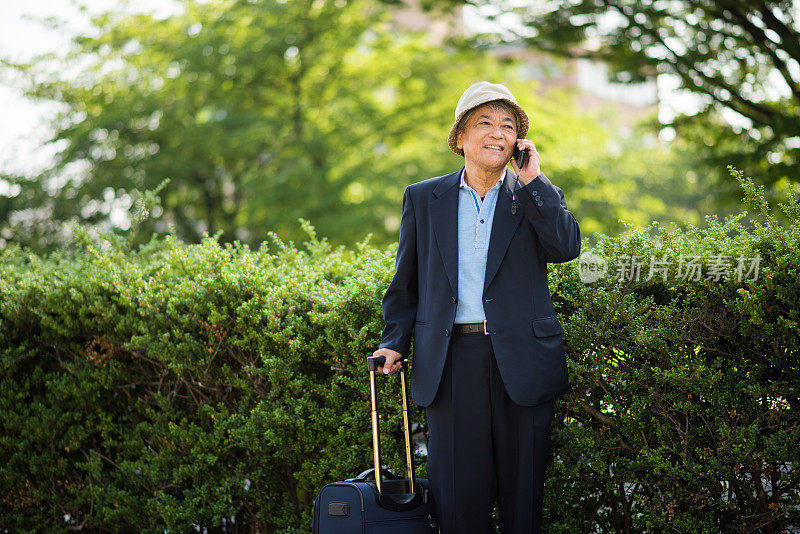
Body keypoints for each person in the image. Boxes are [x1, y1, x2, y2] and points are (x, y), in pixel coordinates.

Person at [372, 81, 581, 534]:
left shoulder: (535, 194)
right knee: (457, 502)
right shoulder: (424, 198)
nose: (497, 133)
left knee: (523, 502)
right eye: (484, 122)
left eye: (508, 126)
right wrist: (394, 342)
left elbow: (566, 247)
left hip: (522, 361)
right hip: (451, 362)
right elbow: (406, 281)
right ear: (460, 137)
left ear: (518, 143)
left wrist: (534, 182)